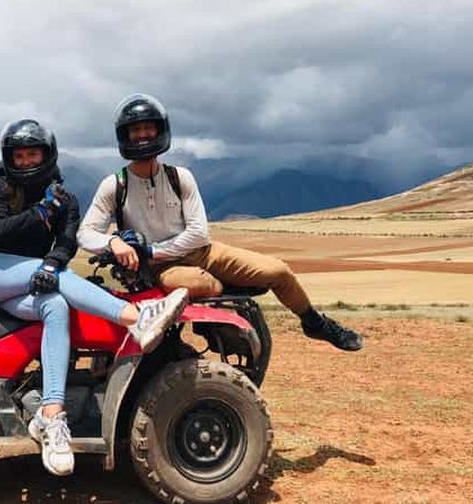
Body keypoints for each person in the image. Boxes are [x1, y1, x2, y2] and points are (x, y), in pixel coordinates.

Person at [0, 119, 188, 477]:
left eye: (32, 153)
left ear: (47, 154)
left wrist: (51, 263)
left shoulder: (65, 199)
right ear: (9, 158)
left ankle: (51, 417)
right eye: (18, 155)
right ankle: (136, 318)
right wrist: (39, 216)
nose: (25, 161)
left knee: (56, 304)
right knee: (60, 280)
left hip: (24, 284)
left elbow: (67, 242)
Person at [77, 93, 363, 352]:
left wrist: (150, 250)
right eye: (135, 130)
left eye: (148, 128)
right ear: (124, 135)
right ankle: (229, 301)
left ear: (160, 130)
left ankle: (314, 323)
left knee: (278, 270)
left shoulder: (180, 177)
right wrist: (113, 242)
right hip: (161, 269)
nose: (142, 135)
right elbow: (86, 234)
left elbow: (200, 234)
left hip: (202, 253)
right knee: (191, 285)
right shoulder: (115, 185)